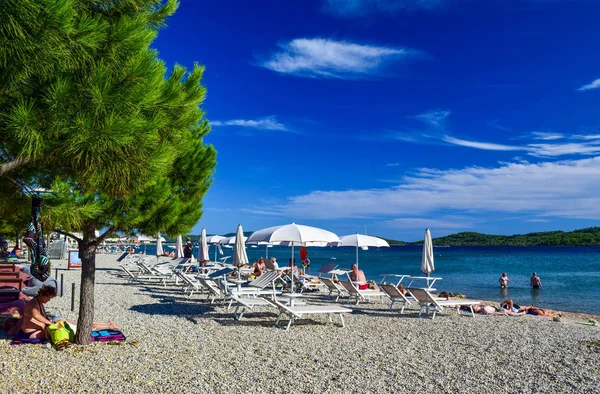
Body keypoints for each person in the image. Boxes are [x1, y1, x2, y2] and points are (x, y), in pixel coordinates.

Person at [19, 286, 120, 340]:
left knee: (67, 321)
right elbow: (36, 316)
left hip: (42, 328)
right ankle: (108, 327)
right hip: (33, 332)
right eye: (48, 298)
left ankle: (107, 324)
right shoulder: (33, 304)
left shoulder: (38, 302)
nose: (48, 300)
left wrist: (51, 322)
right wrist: (50, 323)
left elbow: (40, 317)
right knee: (73, 329)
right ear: (43, 295)